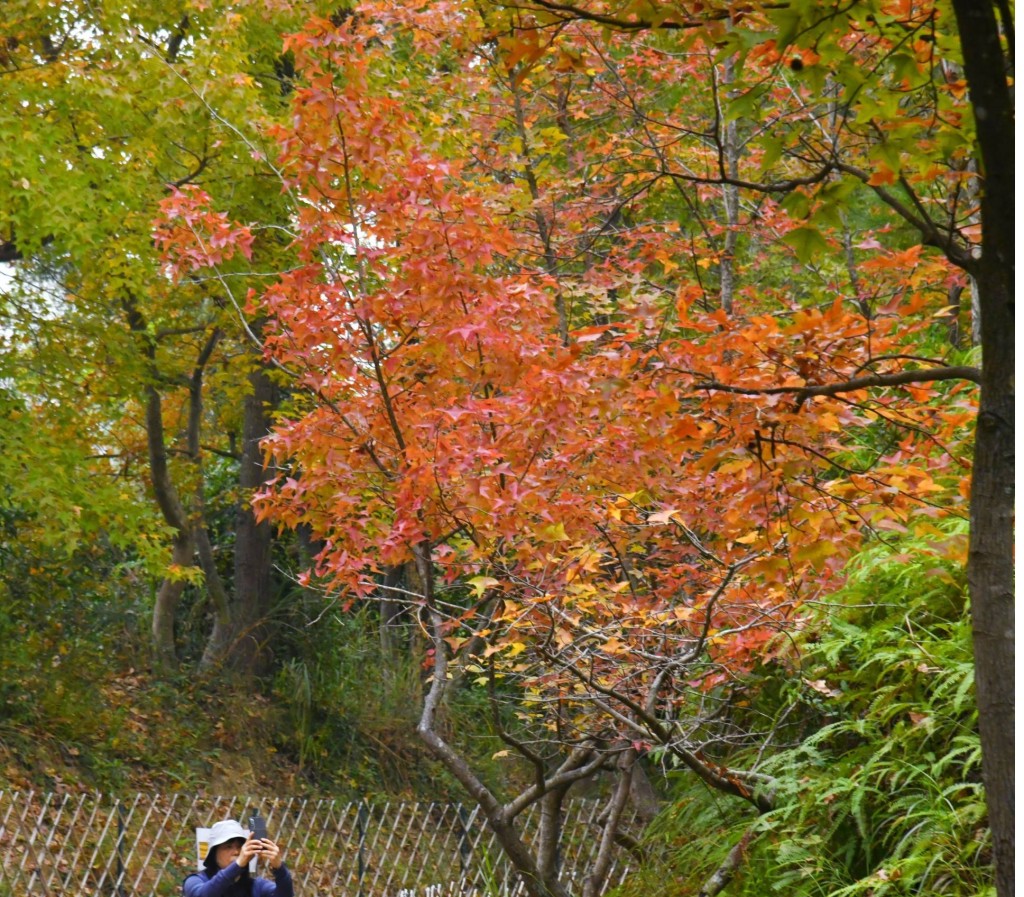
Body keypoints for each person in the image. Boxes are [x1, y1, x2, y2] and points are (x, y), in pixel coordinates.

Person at [183, 818, 294, 897]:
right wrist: (237, 865)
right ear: (214, 853)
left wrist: (279, 868)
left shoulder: (255, 886)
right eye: (228, 846)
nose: (236, 852)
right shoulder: (195, 881)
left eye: (240, 846)